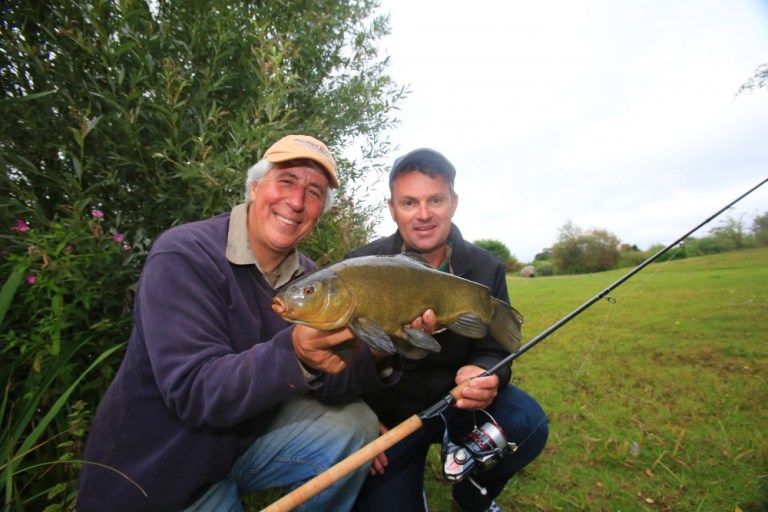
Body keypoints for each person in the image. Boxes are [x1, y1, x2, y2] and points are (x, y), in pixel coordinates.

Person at [76, 135, 407, 511]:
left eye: (314, 192)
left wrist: (380, 349)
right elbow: (194, 390)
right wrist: (295, 354)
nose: (296, 201)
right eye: (286, 181)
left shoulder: (310, 280)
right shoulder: (184, 254)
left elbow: (328, 383)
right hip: (156, 480)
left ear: (320, 212)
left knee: (356, 424)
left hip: (242, 444)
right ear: (255, 186)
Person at [346, 148, 549, 512]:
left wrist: (486, 372)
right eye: (409, 202)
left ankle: (472, 495)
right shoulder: (358, 266)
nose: (423, 214)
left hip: (458, 404)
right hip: (390, 417)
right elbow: (339, 359)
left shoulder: (487, 268)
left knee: (528, 423)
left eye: (435, 200)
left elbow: (496, 349)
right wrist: (357, 419)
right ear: (392, 209)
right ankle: (408, 483)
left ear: (453, 202)